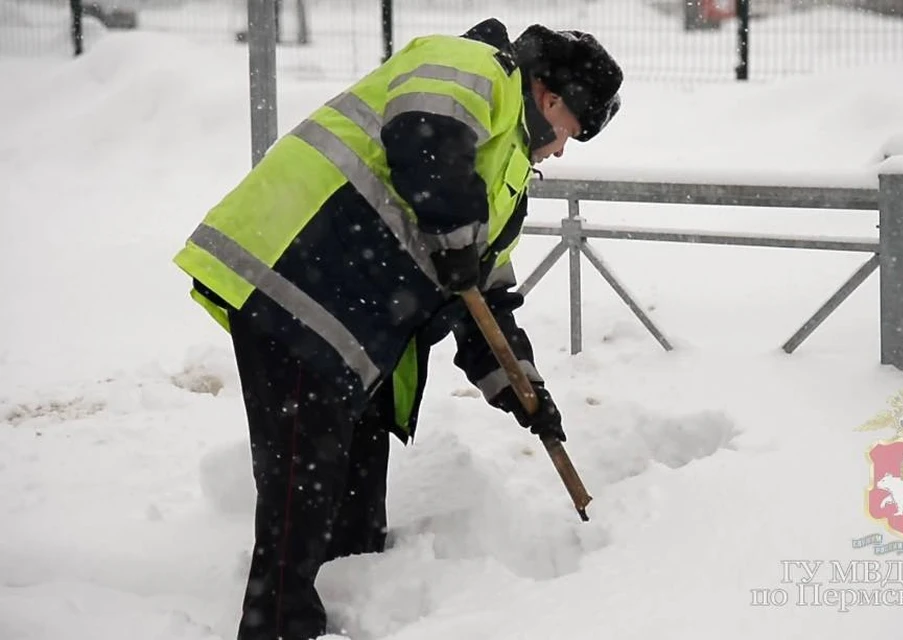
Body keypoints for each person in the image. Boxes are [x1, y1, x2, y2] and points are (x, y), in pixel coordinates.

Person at [172, 17, 622, 640]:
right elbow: (426, 133)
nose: (565, 148)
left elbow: (484, 298)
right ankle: (279, 624)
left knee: (353, 483)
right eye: (576, 131)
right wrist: (457, 238)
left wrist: (526, 392)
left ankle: (356, 591)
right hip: (298, 278)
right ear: (553, 100)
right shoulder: (475, 66)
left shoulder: (508, 170)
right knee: (304, 486)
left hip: (352, 326)